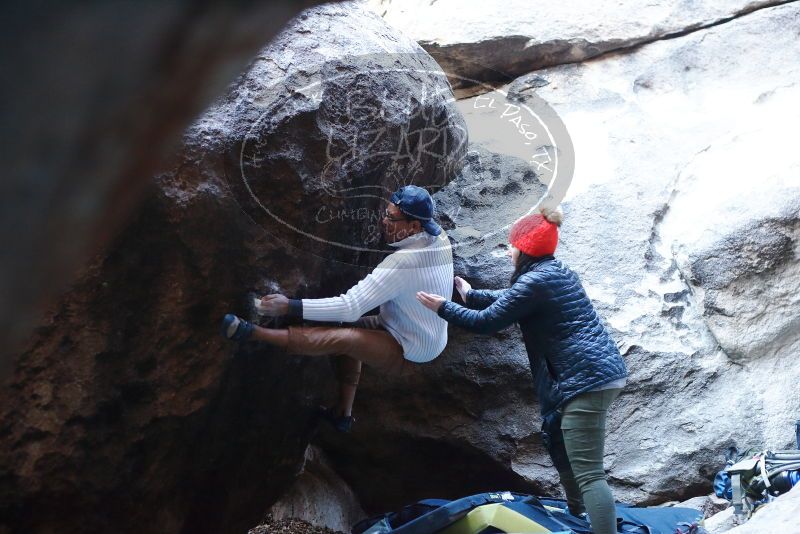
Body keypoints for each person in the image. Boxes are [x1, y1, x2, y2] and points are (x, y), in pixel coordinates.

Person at [416, 206, 627, 534]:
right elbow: (511, 299)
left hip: (585, 382)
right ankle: (578, 518)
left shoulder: (536, 281)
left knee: (590, 474)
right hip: (592, 376)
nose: (509, 252)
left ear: (525, 249)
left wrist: (443, 307)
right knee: (562, 448)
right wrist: (472, 295)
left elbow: (487, 322)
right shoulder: (553, 273)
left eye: (512, 245)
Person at [221, 185, 454, 432]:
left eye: (391, 218)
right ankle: (343, 415)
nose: (384, 222)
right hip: (408, 324)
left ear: (414, 226)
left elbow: (350, 307)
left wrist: (289, 306)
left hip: (413, 348)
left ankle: (252, 333)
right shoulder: (438, 236)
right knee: (346, 328)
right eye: (385, 213)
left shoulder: (403, 263)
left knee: (346, 338)